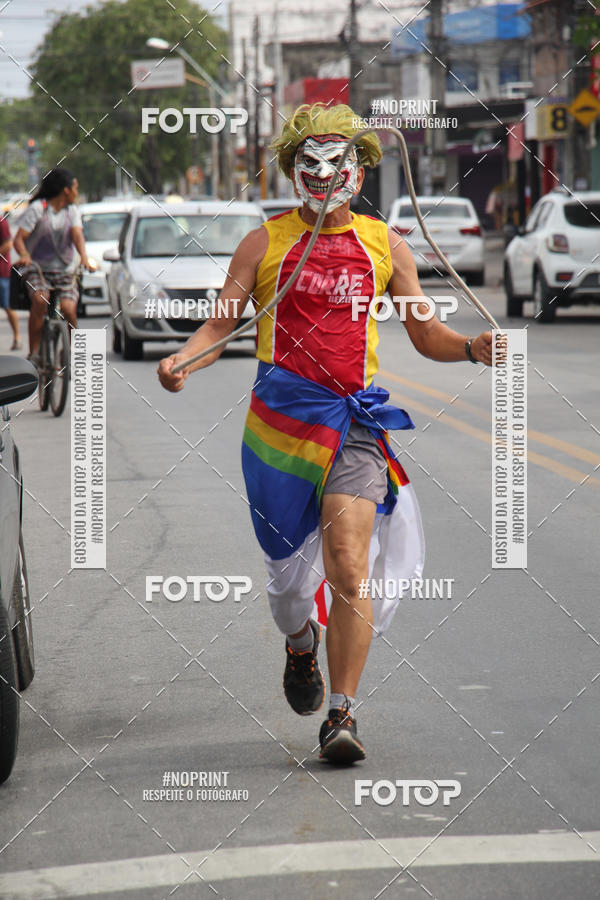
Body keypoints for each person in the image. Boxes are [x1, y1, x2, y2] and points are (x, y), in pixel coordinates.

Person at [157, 103, 493, 764]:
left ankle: (341, 713)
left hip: (353, 424)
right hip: (278, 430)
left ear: (361, 167)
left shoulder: (383, 244)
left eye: (336, 160)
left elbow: (425, 332)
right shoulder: (262, 243)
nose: (322, 173)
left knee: (348, 562)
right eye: (308, 162)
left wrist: (474, 348)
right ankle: (299, 643)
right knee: (286, 588)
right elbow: (220, 325)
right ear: (291, 169)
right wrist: (181, 363)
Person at [12, 168, 93, 360]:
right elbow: (19, 239)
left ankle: (68, 351)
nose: (76, 192)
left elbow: (77, 235)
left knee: (69, 309)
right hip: (37, 269)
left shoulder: (72, 211)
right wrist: (24, 254)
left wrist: (84, 256)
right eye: (75, 188)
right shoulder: (38, 209)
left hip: (64, 271)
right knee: (40, 300)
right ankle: (34, 353)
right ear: (66, 190)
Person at [0, 213, 22, 350]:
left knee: (8, 306)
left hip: (2, 272)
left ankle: (17, 337)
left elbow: (8, 244)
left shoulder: (1, 222)